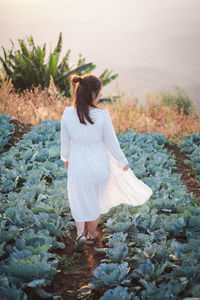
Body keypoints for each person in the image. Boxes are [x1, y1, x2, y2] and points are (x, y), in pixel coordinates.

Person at [60, 74, 153, 252]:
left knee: (79, 199)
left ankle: (79, 233)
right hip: (98, 165)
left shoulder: (67, 114)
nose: (100, 96)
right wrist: (122, 161)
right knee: (95, 201)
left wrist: (66, 159)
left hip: (78, 165)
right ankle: (91, 235)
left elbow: (65, 142)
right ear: (93, 93)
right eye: (99, 92)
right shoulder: (102, 115)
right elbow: (112, 143)